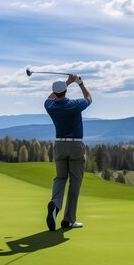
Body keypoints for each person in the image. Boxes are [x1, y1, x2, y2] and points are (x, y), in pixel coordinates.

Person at [44, 74, 92, 231]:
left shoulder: (49, 106)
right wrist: (79, 82)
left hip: (59, 146)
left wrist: (67, 82)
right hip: (76, 146)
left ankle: (56, 203)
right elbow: (89, 98)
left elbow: (51, 97)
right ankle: (68, 220)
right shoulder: (74, 104)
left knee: (60, 177)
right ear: (65, 91)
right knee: (75, 181)